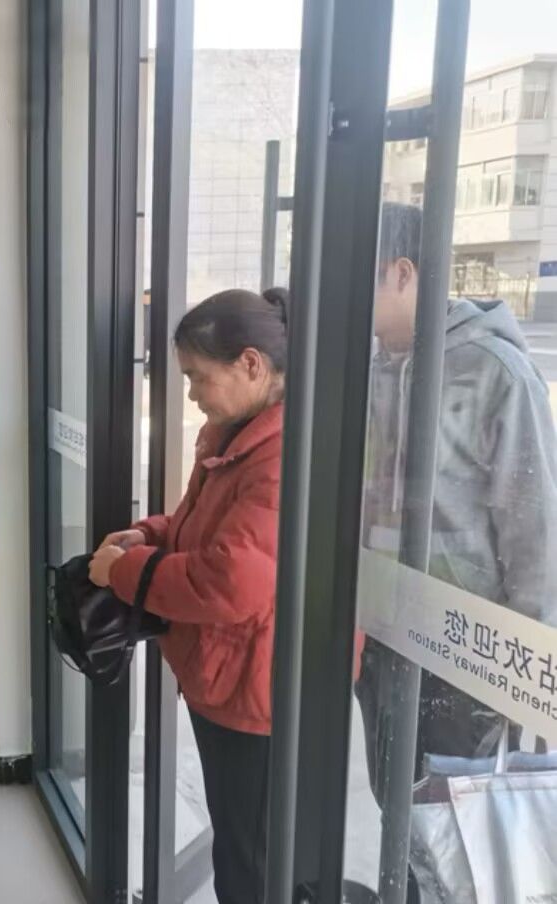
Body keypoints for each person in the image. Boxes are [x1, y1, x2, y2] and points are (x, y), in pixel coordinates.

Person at [355, 202, 557, 895]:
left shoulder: (494, 372)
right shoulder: (368, 369)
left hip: (464, 653)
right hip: (383, 634)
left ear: (403, 272)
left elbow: (535, 530)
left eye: (358, 273)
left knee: (454, 833)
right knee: (398, 812)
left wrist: (528, 675)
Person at [89, 287, 289, 904]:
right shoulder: (235, 433)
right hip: (228, 676)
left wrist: (123, 572)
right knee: (239, 843)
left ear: (251, 364)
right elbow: (198, 527)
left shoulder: (281, 454)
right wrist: (147, 535)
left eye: (198, 377)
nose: (193, 394)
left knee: (251, 861)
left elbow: (229, 582)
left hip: (258, 690)